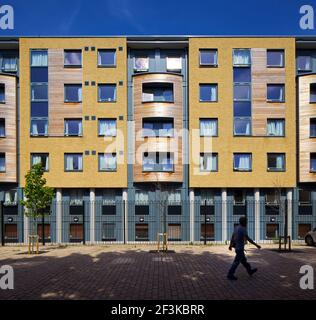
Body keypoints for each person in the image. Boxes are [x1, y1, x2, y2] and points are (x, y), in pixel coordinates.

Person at [227, 216, 261, 281]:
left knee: (244, 261)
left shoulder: (236, 228)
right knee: (236, 262)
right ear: (243, 222)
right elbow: (248, 239)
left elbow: (232, 238)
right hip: (239, 249)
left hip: (237, 248)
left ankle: (250, 271)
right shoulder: (243, 229)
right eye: (246, 221)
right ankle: (230, 274)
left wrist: (230, 246)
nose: (246, 223)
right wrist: (256, 245)